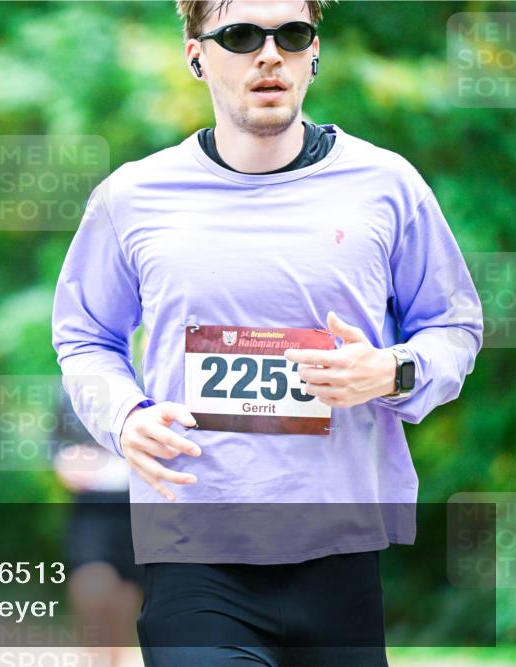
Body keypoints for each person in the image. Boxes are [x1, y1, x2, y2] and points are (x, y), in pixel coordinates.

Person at [51, 2, 484, 666]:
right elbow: (84, 335)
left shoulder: (387, 185)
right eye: (241, 35)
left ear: (315, 52)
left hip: (340, 547)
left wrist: (393, 370)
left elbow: (454, 325)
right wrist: (125, 415)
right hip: (194, 547)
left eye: (293, 34)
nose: (270, 54)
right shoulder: (133, 196)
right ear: (196, 55)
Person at [53, 389, 143, 667]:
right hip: (92, 501)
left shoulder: (152, 381)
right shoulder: (75, 388)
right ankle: (91, 656)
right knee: (93, 578)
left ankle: (114, 659)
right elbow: (56, 443)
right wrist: (64, 461)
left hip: (139, 500)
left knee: (128, 587)